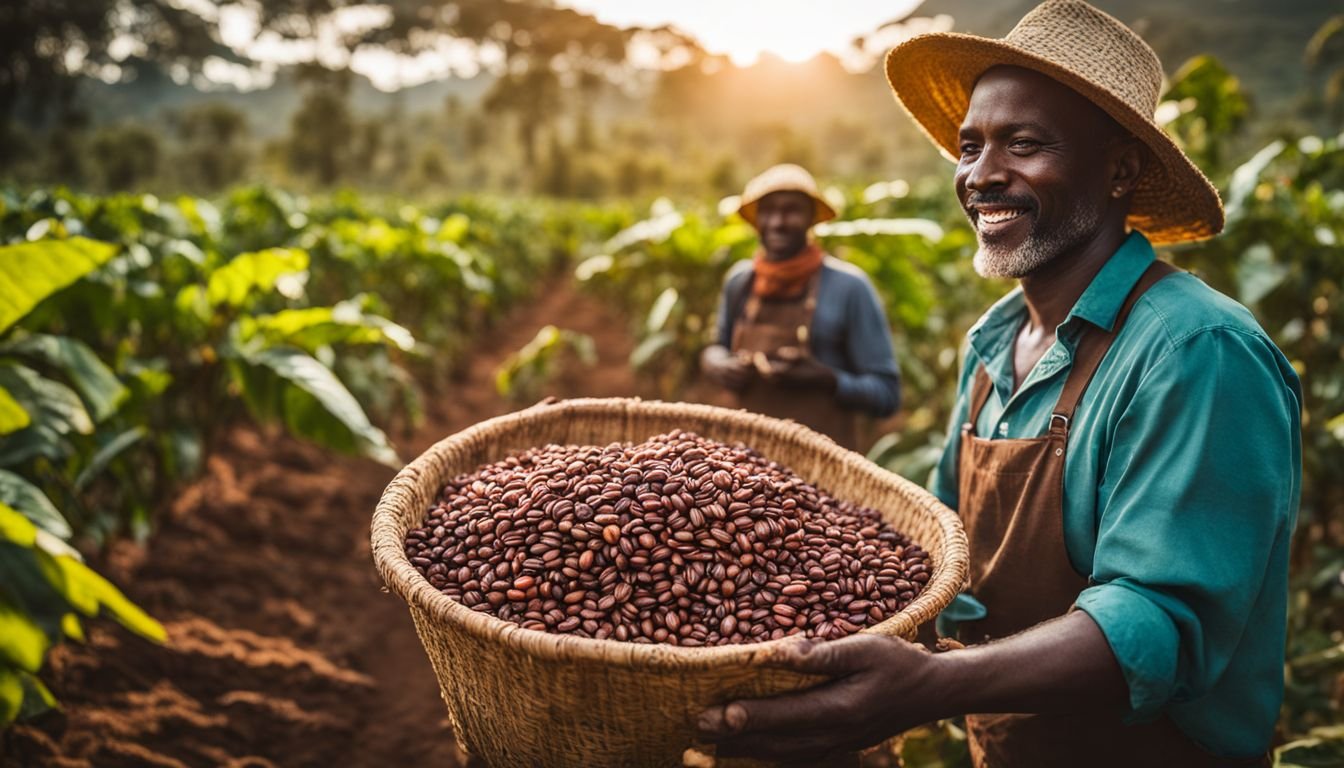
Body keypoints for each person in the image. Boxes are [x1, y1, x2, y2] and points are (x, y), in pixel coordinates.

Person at [696, 2, 1301, 766]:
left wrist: (931, 685)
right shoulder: (992, 346)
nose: (982, 175)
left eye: (1024, 144)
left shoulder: (1196, 351)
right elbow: (951, 558)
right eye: (970, 145)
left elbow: (1157, 622)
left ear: (1120, 169)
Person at [700, 163, 901, 451]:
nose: (777, 222)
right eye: (768, 211)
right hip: (744, 466)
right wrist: (717, 363)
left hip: (824, 472)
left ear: (811, 218)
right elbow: (716, 346)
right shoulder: (740, 282)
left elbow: (887, 396)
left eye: (791, 210)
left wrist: (826, 380)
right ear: (756, 219)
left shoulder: (849, 288)